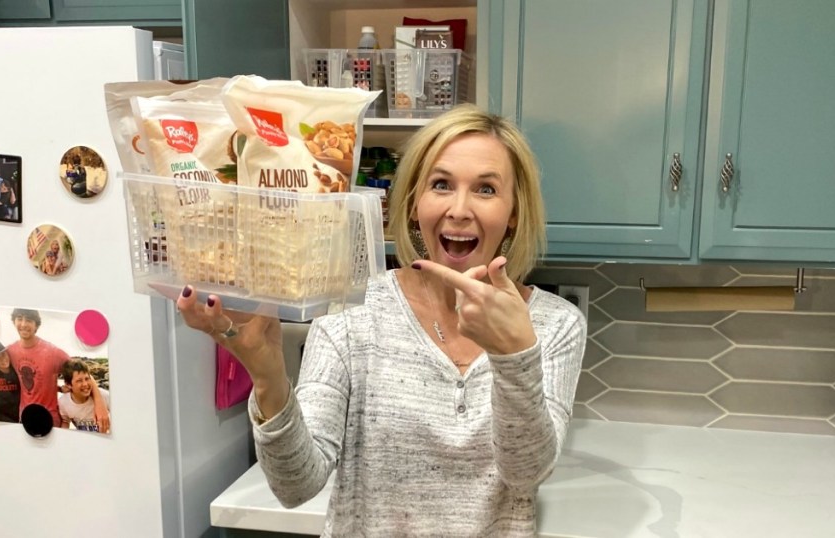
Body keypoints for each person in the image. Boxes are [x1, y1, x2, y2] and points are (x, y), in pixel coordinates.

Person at [176, 104, 587, 536]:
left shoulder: (555, 325)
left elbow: (527, 473)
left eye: (486, 190)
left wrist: (515, 355)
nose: (460, 209)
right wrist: (268, 377)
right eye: (441, 184)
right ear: (412, 204)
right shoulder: (352, 308)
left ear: (514, 212)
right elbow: (297, 484)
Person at [0, 308, 109, 432]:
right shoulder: (10, 351)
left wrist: (100, 404)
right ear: (14, 322)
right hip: (24, 419)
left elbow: (82, 372)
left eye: (29, 320)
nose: (24, 324)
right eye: (19, 318)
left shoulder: (52, 352)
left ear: (36, 325)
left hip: (50, 421)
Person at [58, 359, 111, 433]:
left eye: (87, 379)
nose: (85, 384)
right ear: (68, 384)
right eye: (79, 381)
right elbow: (65, 421)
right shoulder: (63, 403)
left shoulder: (105, 396)